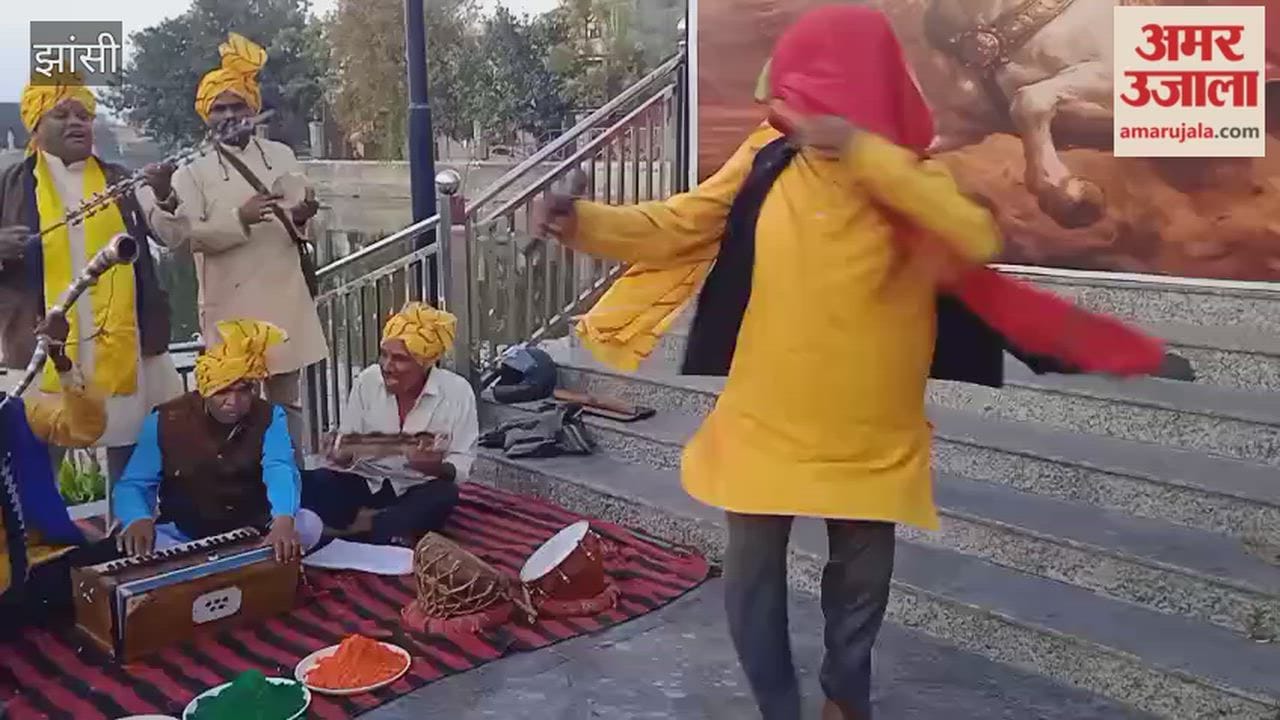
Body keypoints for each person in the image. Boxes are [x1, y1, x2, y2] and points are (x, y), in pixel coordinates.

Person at [145, 32, 327, 456]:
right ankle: (240, 488)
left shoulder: (281, 155)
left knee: (287, 405)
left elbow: (309, 226)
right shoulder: (191, 170)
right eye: (219, 108)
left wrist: (302, 220)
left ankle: (291, 480)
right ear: (206, 117)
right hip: (231, 306)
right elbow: (183, 237)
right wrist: (238, 220)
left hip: (284, 300)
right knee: (230, 404)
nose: (229, 115)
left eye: (237, 106)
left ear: (253, 108)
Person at [0, 74, 181, 483]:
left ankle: (129, 537)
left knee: (131, 462)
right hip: (43, 348)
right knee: (36, 469)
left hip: (123, 346)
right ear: (35, 126)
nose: (76, 122)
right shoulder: (9, 186)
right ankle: (40, 542)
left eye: (83, 114)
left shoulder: (120, 179)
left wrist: (166, 194)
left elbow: (172, 236)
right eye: (61, 114)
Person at [114, 319, 321, 563]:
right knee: (144, 545)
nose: (234, 402)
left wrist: (284, 519)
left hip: (254, 527)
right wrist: (138, 518)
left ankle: (235, 561)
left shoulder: (270, 416)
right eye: (223, 391)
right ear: (205, 389)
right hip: (186, 534)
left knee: (308, 524)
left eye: (244, 390)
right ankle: (239, 564)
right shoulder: (164, 420)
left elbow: (281, 469)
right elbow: (134, 483)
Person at [301, 302, 478, 548]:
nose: (386, 366)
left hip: (416, 487)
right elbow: (349, 448)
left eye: (399, 359)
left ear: (425, 361)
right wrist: (341, 455)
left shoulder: (458, 392)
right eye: (384, 354)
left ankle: (359, 528)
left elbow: (461, 463)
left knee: (443, 495)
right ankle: (383, 529)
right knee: (307, 482)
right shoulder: (367, 381)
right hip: (366, 482)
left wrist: (436, 467)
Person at [0, 314, 114, 637]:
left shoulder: (13, 413)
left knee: (117, 556)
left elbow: (85, 428)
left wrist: (61, 360)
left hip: (40, 560)